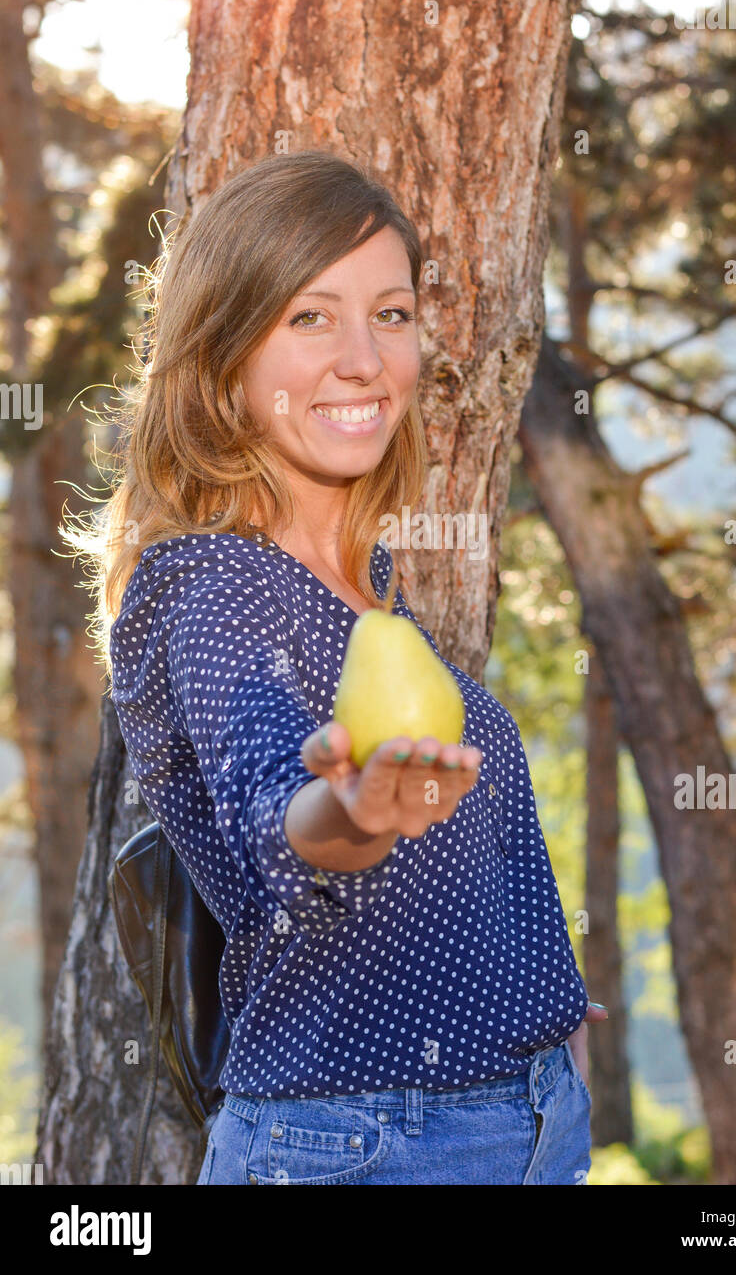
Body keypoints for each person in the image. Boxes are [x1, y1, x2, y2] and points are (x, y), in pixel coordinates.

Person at [66, 149, 605, 1185]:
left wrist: (518, 983)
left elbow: (430, 873)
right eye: (309, 317)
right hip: (366, 1147)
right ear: (222, 351)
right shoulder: (212, 584)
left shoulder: (371, 582)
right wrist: (351, 809)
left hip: (522, 1124)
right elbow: (280, 816)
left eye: (391, 314)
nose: (364, 359)